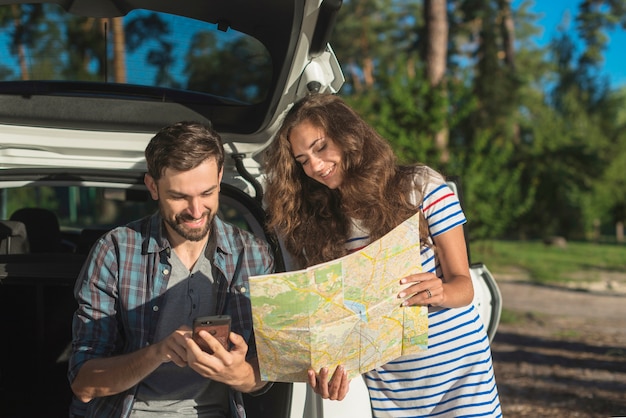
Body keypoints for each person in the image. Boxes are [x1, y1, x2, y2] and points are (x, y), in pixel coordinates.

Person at [263, 93, 502, 417]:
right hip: (392, 393)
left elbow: (465, 287)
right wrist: (328, 369)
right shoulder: (321, 225)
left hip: (461, 382)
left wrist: (440, 290)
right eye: (302, 160)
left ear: (349, 135)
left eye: (320, 147)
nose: (315, 166)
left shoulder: (420, 187)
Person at [68, 121, 274, 418]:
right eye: (179, 197)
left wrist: (239, 372)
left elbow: (269, 370)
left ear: (219, 177)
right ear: (152, 187)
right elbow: (84, 383)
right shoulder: (115, 251)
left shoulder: (252, 255)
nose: (195, 210)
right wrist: (157, 352)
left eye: (207, 193)